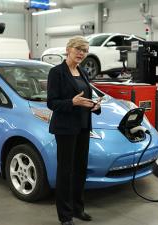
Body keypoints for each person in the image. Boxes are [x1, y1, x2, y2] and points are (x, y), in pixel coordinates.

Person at [47, 36, 101, 225]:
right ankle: (65, 215)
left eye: (85, 50)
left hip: (83, 126)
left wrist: (95, 106)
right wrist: (72, 102)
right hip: (65, 129)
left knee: (80, 170)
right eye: (78, 48)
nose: (81, 53)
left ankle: (78, 209)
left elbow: (87, 97)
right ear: (68, 49)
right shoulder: (56, 72)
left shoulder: (83, 72)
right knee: (65, 172)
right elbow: (51, 103)